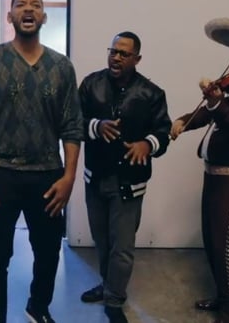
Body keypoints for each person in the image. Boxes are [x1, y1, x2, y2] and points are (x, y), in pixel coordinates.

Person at [0, 0, 84, 323]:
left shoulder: (62, 67)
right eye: (21, 5)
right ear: (10, 16)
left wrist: (69, 176)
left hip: (47, 175)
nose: (28, 10)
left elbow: (72, 127)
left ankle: (38, 306)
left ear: (44, 17)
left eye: (36, 5)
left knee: (47, 253)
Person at [170, 18, 229, 323]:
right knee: (212, 241)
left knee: (225, 247)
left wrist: (219, 102)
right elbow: (209, 115)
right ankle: (223, 299)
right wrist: (184, 120)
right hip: (216, 174)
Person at [78, 31, 171, 323]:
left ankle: (115, 300)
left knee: (122, 247)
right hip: (96, 178)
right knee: (102, 241)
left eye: (124, 53)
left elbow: (163, 133)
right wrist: (96, 126)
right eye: (113, 51)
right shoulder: (91, 84)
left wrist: (147, 144)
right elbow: (71, 123)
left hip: (130, 182)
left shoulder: (152, 93)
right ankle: (108, 285)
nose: (116, 57)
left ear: (137, 59)